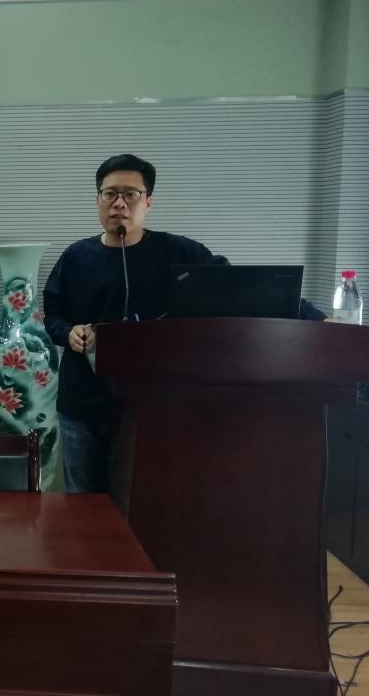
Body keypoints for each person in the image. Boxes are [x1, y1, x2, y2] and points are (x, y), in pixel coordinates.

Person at [42, 153, 325, 493]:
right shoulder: (75, 257)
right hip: (82, 404)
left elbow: (242, 288)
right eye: (110, 193)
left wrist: (314, 316)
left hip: (147, 407)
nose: (119, 203)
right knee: (82, 505)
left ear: (148, 202)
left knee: (135, 503)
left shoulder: (179, 253)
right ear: (97, 200)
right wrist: (68, 332)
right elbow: (54, 314)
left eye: (131, 194)